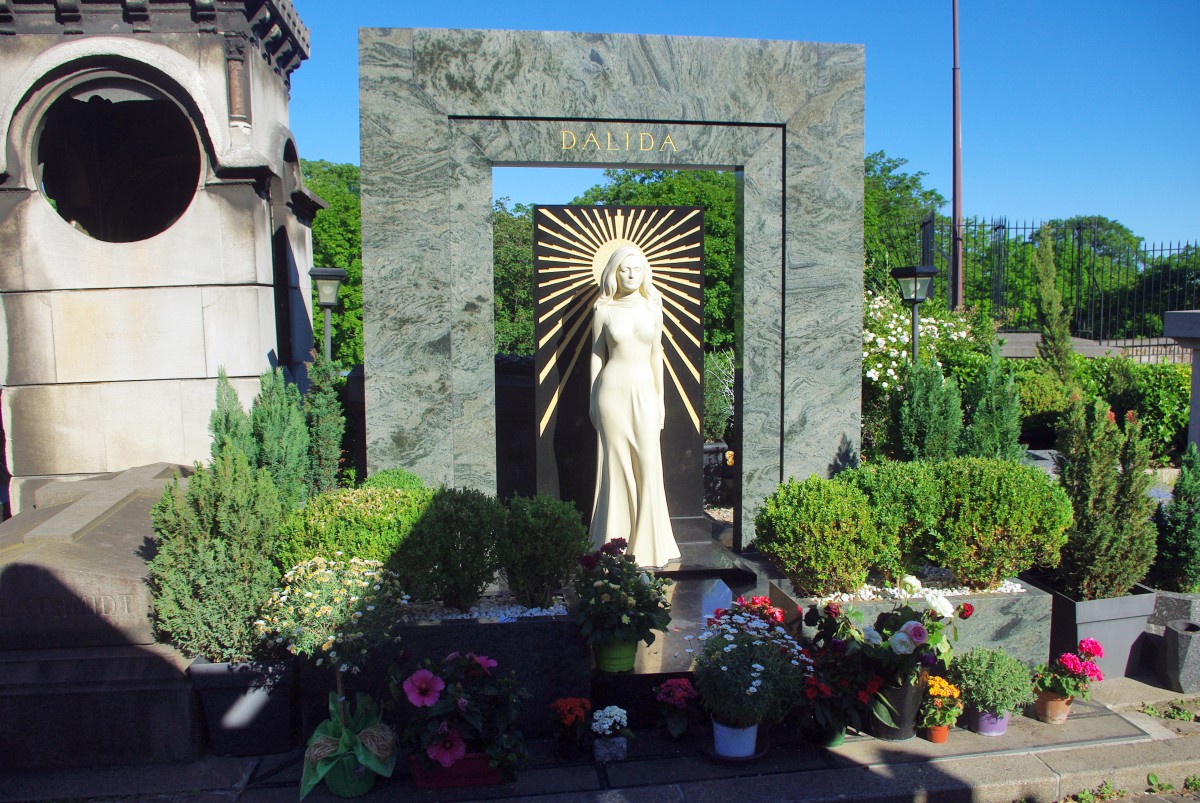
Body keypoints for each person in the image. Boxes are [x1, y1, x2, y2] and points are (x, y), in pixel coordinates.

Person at [588, 244, 680, 568]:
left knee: (649, 463)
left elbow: (657, 356)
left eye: (637, 269)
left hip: (644, 390)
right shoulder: (603, 310)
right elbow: (597, 356)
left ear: (644, 273)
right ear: (614, 272)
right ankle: (612, 542)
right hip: (611, 392)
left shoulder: (654, 308)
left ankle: (651, 545)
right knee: (615, 464)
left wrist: (661, 400)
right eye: (625, 269)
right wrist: (592, 400)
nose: (630, 274)